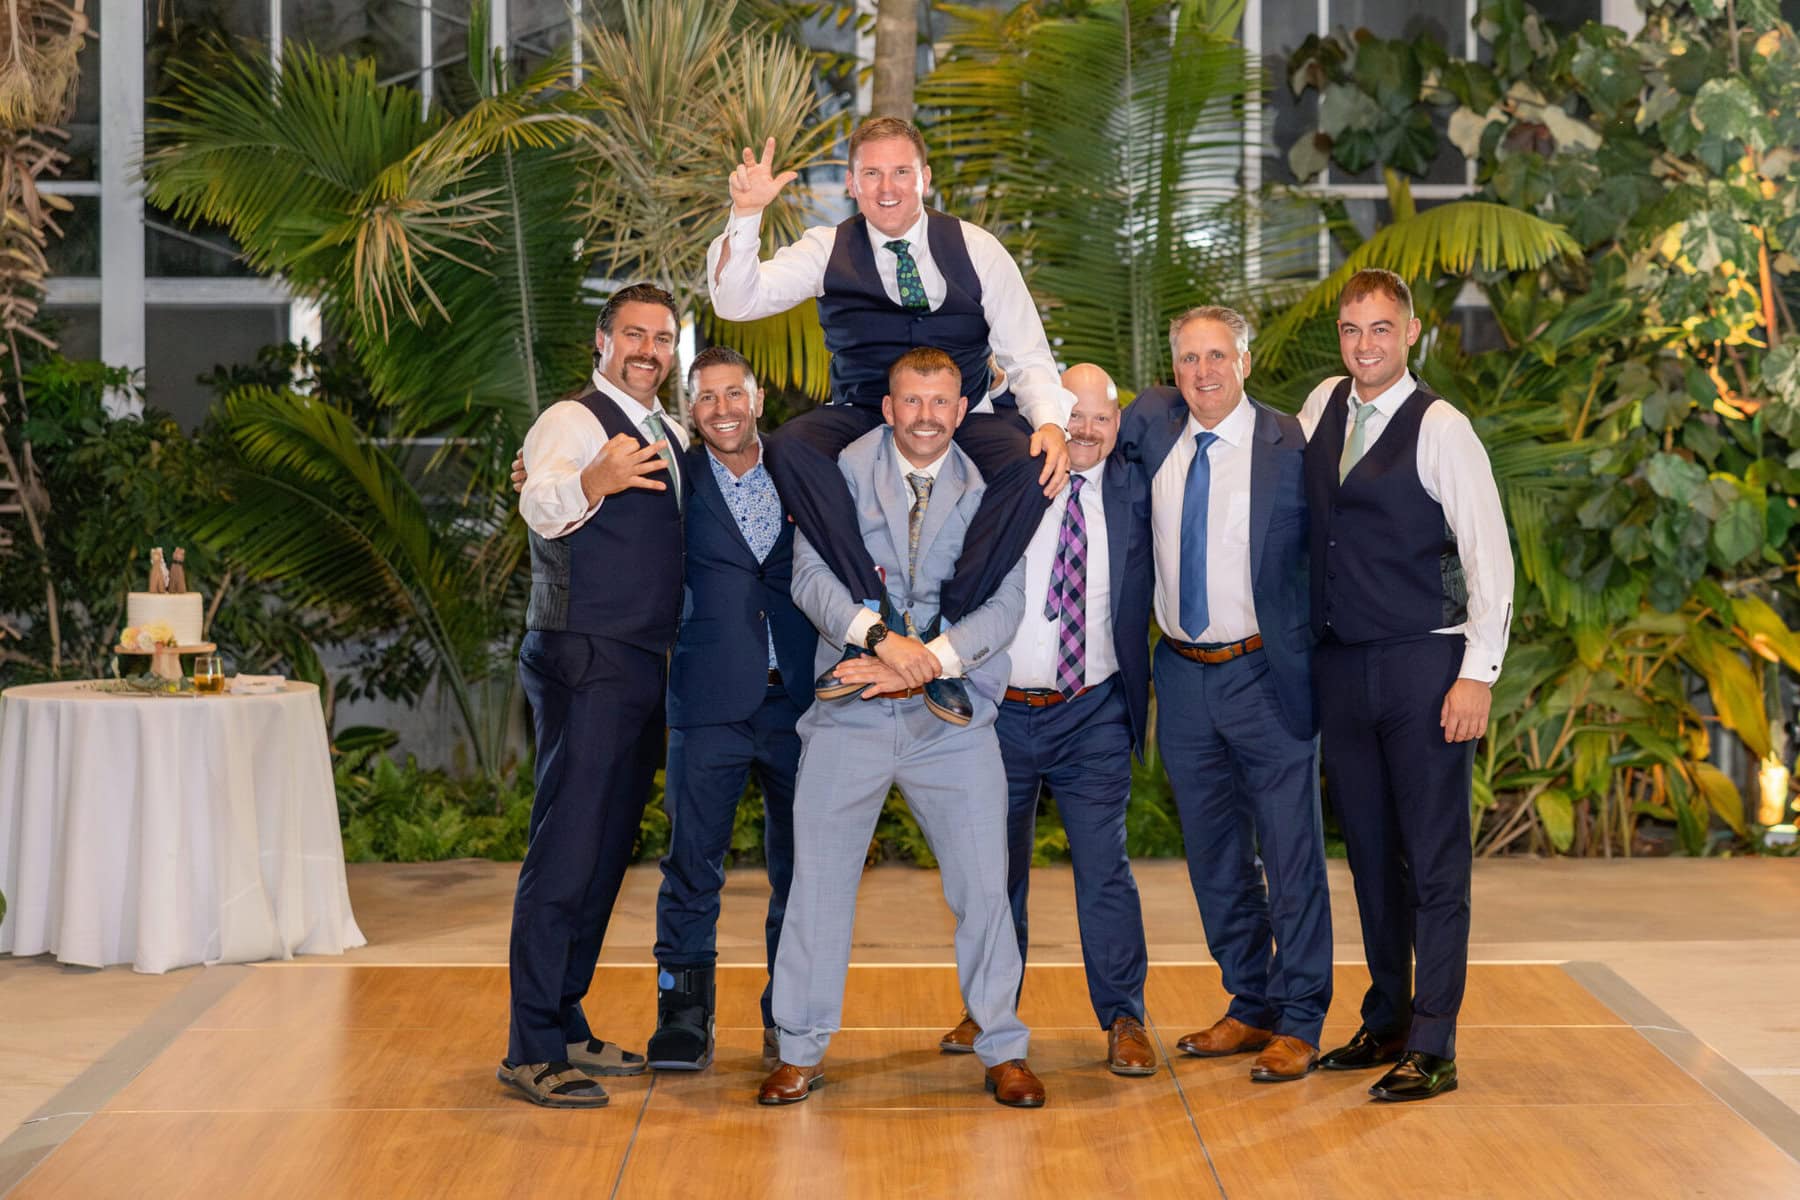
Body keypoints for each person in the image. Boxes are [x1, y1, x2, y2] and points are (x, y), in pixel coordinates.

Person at [707, 117, 1074, 721]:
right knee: (792, 446)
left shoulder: (978, 248)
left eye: (901, 171)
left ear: (924, 178)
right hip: (863, 412)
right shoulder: (826, 248)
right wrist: (746, 214)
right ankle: (871, 613)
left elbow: (1027, 355)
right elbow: (736, 300)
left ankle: (944, 626)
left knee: (1035, 464)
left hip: (961, 413)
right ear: (852, 183)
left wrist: (1052, 424)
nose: (887, 187)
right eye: (872, 173)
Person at [757, 347, 1045, 1109]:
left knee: (986, 890)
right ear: (888, 408)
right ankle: (800, 1049)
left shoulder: (991, 485)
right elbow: (811, 578)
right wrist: (886, 646)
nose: (926, 415)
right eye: (911, 401)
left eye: (940, 401)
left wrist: (925, 663)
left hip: (954, 722)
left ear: (961, 410)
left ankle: (1003, 1046)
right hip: (849, 709)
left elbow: (1006, 604)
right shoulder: (841, 473)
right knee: (817, 887)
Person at [1299, 268, 1512, 1103]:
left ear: (1411, 332)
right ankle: (1386, 1017)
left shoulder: (1443, 428)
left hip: (1424, 666)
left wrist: (1476, 675)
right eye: (1352, 330)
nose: (1365, 345)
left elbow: (1489, 559)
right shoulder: (1323, 406)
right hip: (1342, 666)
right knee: (1370, 858)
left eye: (1381, 329)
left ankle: (1433, 1043)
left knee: (1433, 863)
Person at [1116, 306, 1333, 1084]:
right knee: (1214, 856)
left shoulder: (1293, 445)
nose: (1203, 372)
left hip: (1266, 674)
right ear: (1171, 369)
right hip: (1181, 674)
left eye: (1217, 356)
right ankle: (1251, 1001)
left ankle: (1301, 1019)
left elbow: (1331, 557)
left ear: (1245, 360)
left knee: (1291, 852)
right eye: (1188, 359)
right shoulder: (1151, 430)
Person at [935, 364, 1158, 1077]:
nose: (1085, 430)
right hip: (1000, 712)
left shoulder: (1136, 490)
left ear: (1118, 424)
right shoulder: (1013, 479)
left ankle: (1124, 1016)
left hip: (1092, 711)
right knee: (993, 872)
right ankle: (988, 1008)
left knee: (1104, 869)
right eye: (1073, 414)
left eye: (1100, 417)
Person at [501, 283, 687, 1108]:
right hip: (583, 655)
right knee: (566, 851)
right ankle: (531, 1049)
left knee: (607, 852)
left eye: (663, 337)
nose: (649, 350)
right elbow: (539, 501)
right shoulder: (572, 421)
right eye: (633, 334)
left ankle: (566, 1019)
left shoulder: (669, 432)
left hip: (642, 661)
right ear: (602, 342)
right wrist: (591, 480)